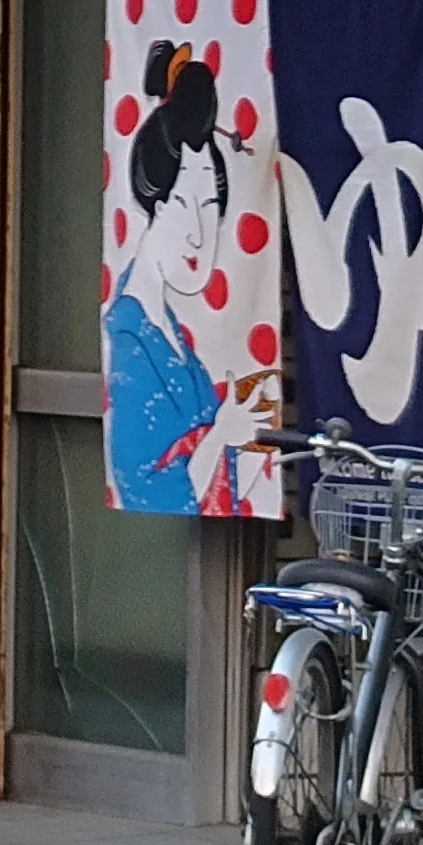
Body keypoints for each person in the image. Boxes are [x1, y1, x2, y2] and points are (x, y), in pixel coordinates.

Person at [105, 44, 277, 514]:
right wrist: (223, 432)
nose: (201, 236)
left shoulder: (167, 325)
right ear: (154, 206)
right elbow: (146, 488)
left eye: (210, 209)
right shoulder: (130, 337)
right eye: (183, 206)